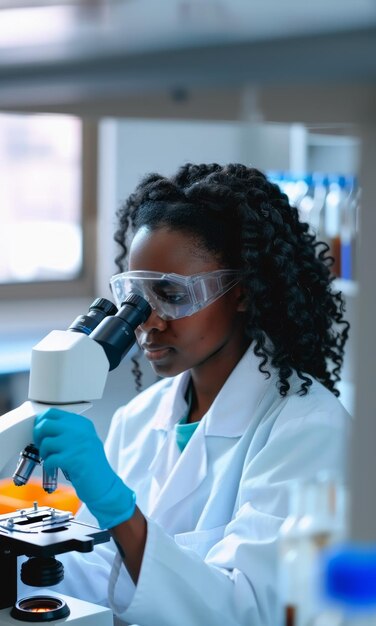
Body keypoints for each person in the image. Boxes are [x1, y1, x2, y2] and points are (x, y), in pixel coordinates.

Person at [30, 163, 351, 626]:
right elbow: (97, 572)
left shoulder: (310, 430)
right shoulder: (139, 418)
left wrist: (119, 511)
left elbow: (250, 609)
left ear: (241, 293)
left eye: (172, 295)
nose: (149, 321)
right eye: (137, 297)